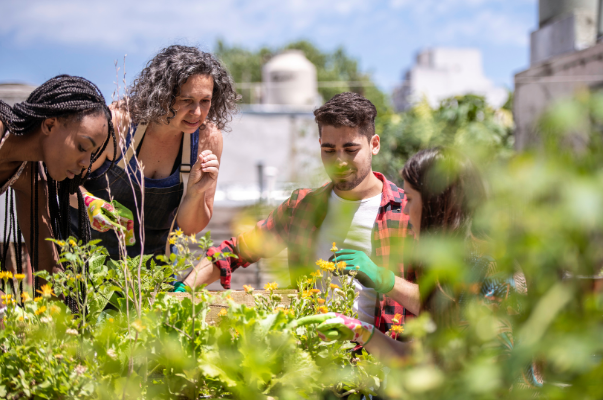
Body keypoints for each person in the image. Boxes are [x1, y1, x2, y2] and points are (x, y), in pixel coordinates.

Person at [295, 148, 540, 389]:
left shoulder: (487, 269)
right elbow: (415, 357)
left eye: (410, 199)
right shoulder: (453, 265)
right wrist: (358, 330)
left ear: (437, 202)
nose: (405, 209)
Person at [179, 92, 417, 335]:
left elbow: (441, 303)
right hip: (316, 358)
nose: (339, 161)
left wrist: (383, 279)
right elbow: (234, 251)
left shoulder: (408, 211)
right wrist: (179, 292)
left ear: (374, 144)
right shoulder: (302, 207)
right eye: (329, 150)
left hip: (384, 363)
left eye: (350, 149)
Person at [70, 45, 239, 260]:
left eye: (205, 101)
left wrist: (196, 193)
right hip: (84, 260)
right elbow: (60, 181)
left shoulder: (207, 138)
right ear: (162, 95)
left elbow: (190, 230)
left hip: (151, 272)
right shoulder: (118, 123)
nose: (197, 112)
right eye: (186, 101)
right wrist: (89, 203)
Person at [0, 75, 115, 298]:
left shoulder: (29, 178)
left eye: (92, 155)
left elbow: (48, 270)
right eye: (82, 146)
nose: (85, 164)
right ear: (50, 124)